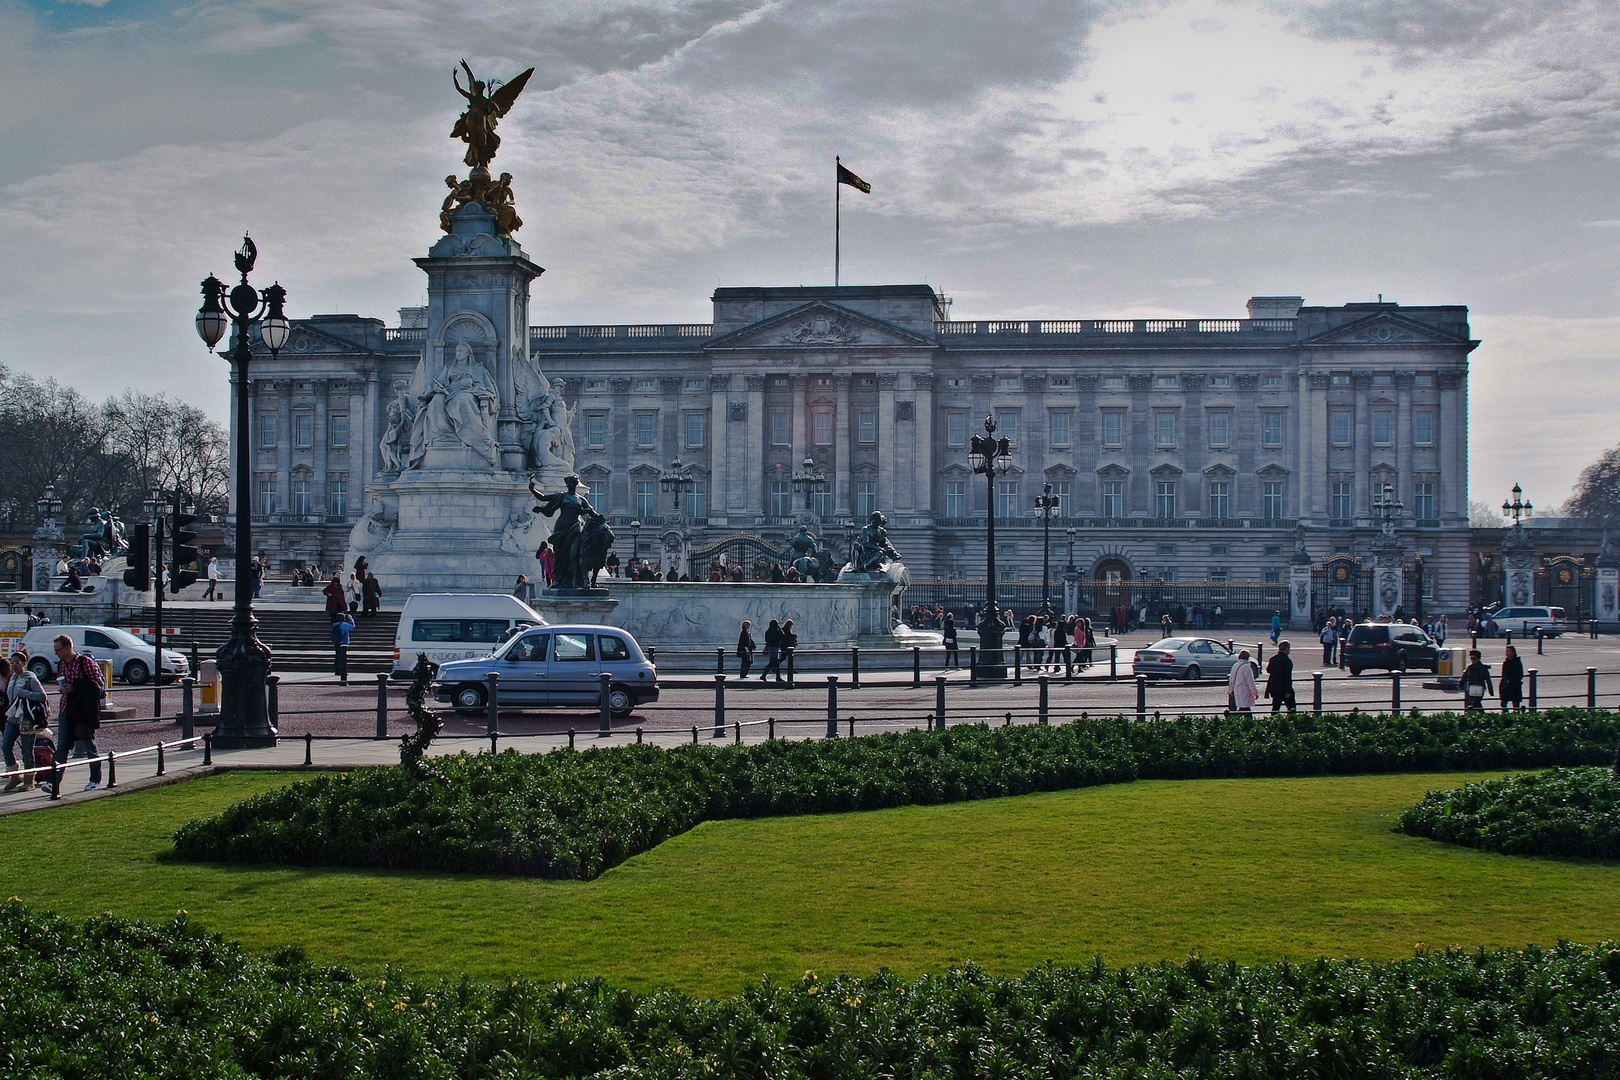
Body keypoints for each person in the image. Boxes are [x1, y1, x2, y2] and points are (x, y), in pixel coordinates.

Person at [52, 634, 104, 791]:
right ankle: (53, 781)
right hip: (66, 708)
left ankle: (95, 779)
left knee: (89, 744)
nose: (56, 653)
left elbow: (98, 685)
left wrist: (75, 687)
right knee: (61, 746)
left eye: (58, 650)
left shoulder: (85, 662)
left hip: (83, 710)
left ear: (68, 648)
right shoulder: (61, 664)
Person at [2, 652, 47, 792]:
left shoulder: (30, 678)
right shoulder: (12, 678)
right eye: (12, 662)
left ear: (24, 664)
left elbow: (42, 695)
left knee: (27, 751)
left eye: (17, 662)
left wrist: (25, 693)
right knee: (5, 745)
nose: (14, 665)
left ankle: (29, 781)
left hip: (27, 719)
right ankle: (15, 776)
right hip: (13, 718)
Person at [1265, 640, 1296, 714]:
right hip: (1284, 688)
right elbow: (1288, 677)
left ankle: (1273, 722)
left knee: (1275, 707)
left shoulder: (1273, 659)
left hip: (1274, 687)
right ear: (1287, 649)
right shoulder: (1287, 660)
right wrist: (1288, 690)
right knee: (1291, 708)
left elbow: (1268, 670)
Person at [1228, 649, 1259, 715]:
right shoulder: (1246, 667)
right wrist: (1254, 692)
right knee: (1246, 709)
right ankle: (1231, 716)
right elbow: (1250, 681)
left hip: (1237, 691)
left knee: (1244, 709)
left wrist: (1230, 690)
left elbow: (1231, 679)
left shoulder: (1235, 665)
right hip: (1245, 692)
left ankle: (1232, 716)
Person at [1499, 644, 1524, 711]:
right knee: (1503, 703)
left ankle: (1516, 717)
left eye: (1509, 651)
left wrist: (1511, 680)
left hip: (1515, 686)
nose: (1507, 653)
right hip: (1506, 687)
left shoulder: (1517, 662)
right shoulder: (1505, 663)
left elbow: (1520, 675)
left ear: (1513, 652)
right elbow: (1503, 675)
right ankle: (1506, 716)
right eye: (1506, 651)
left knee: (1516, 705)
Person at [332, 611, 353, 685]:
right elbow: (352, 626)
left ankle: (337, 670)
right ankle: (342, 671)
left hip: (337, 641)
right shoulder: (343, 624)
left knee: (337, 656)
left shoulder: (335, 624)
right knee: (342, 657)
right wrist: (350, 619)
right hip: (343, 642)